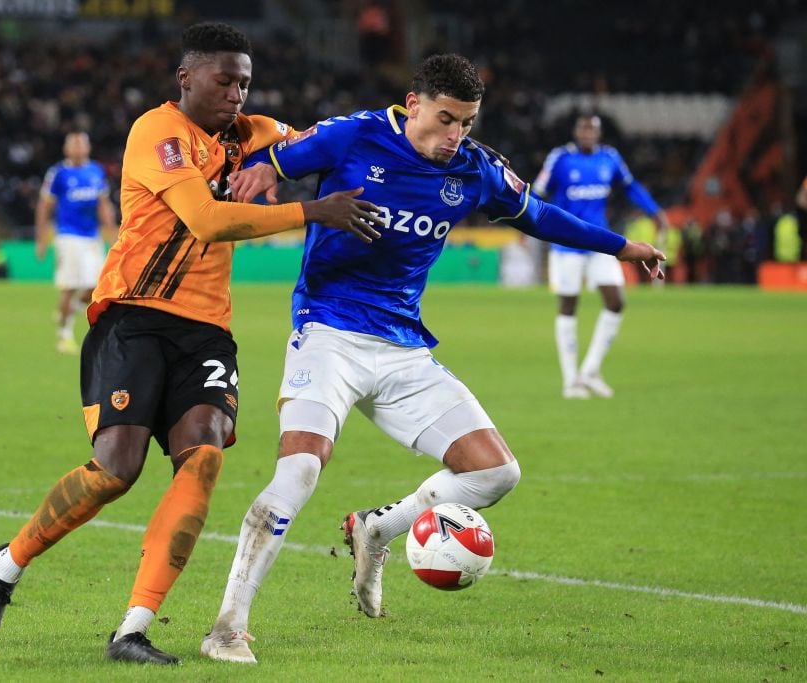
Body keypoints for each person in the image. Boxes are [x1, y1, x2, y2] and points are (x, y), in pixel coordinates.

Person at [200, 54, 664, 664]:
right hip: (328, 332)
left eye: (467, 124)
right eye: (446, 120)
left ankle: (378, 529)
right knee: (301, 471)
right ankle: (228, 627)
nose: (456, 137)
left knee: (497, 473)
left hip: (404, 348)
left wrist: (621, 245)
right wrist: (259, 173)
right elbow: (273, 161)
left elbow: (540, 216)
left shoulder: (475, 168)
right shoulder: (354, 134)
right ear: (413, 103)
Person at [0, 21, 380, 666]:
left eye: (245, 81)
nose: (237, 93)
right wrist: (308, 211)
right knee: (115, 472)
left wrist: (413, 139)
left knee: (204, 457)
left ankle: (132, 628)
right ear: (186, 78)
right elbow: (207, 221)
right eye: (224, 79)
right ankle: (6, 568)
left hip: (207, 329)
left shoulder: (257, 135)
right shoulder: (156, 133)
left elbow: (332, 142)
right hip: (134, 317)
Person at [533, 114, 670, 398]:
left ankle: (591, 370)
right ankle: (571, 380)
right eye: (583, 128)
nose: (587, 133)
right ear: (575, 132)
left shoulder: (610, 158)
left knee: (616, 301)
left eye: (592, 129)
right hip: (566, 245)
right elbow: (538, 191)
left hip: (600, 243)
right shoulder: (560, 158)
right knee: (569, 304)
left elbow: (631, 187)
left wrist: (655, 211)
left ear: (599, 133)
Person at [35, 132, 116, 354]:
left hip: (92, 237)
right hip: (68, 236)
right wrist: (41, 239)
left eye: (82, 144)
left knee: (96, 287)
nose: (79, 147)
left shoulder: (96, 171)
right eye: (74, 144)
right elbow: (45, 206)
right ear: (66, 148)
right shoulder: (58, 173)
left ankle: (66, 312)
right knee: (70, 287)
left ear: (88, 148)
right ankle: (64, 334)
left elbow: (103, 204)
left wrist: (112, 232)